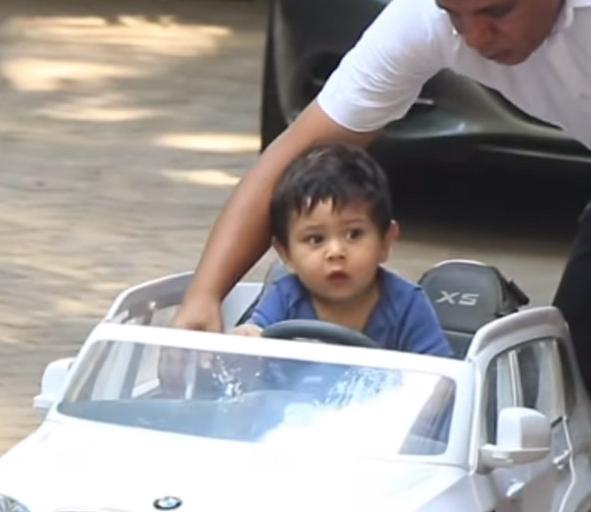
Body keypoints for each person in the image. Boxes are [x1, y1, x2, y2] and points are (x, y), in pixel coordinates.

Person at [168, 0, 591, 387]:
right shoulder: (423, 18)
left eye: (497, 12)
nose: (475, 37)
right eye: (455, 15)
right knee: (570, 381)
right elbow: (296, 156)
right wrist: (205, 294)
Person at [232, 143, 452, 357]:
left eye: (353, 235)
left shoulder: (408, 305)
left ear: (385, 241)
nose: (335, 252)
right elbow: (253, 345)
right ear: (286, 254)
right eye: (316, 239)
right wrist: (247, 338)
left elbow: (442, 380)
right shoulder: (285, 297)